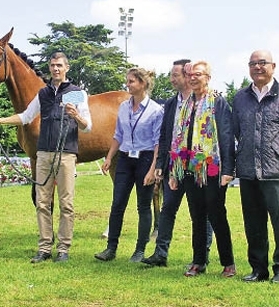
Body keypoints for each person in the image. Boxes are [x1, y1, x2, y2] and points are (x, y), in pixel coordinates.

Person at [0, 52, 92, 263]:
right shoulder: (43, 93)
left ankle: (63, 249)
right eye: (53, 65)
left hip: (66, 154)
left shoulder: (75, 93)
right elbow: (26, 116)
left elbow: (87, 127)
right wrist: (2, 120)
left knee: (66, 203)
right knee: (42, 202)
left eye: (60, 66)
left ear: (67, 68)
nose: (56, 69)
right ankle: (45, 247)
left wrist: (77, 117)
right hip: (44, 153)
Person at [232, 50, 279, 283]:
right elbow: (237, 130)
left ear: (273, 66)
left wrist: (278, 151)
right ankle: (258, 269)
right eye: (253, 63)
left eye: (262, 63)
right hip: (248, 170)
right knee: (253, 224)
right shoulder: (240, 98)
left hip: (277, 170)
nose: (258, 67)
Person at [142, 59, 213, 268]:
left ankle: (202, 255)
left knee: (200, 213)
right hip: (174, 166)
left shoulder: (204, 100)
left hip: (197, 166)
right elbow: (165, 136)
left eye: (176, 75)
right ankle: (160, 253)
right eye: (172, 75)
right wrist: (160, 165)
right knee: (167, 209)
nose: (172, 79)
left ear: (188, 75)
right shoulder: (172, 103)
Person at [168, 60, 236, 278]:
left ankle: (228, 263)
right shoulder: (187, 104)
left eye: (198, 74)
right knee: (197, 217)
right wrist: (174, 171)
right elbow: (177, 138)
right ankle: (199, 261)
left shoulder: (218, 102)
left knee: (217, 216)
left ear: (208, 77)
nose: (193, 78)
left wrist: (228, 169)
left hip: (212, 169)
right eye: (190, 75)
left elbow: (226, 136)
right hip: (189, 169)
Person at [95, 67, 163, 263]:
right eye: (128, 80)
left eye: (132, 81)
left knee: (143, 206)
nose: (128, 84)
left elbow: (158, 142)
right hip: (125, 158)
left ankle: (140, 250)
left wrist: (152, 169)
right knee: (117, 204)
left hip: (145, 159)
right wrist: (109, 157)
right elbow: (118, 135)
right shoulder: (124, 107)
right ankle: (110, 248)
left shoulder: (156, 110)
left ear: (143, 84)